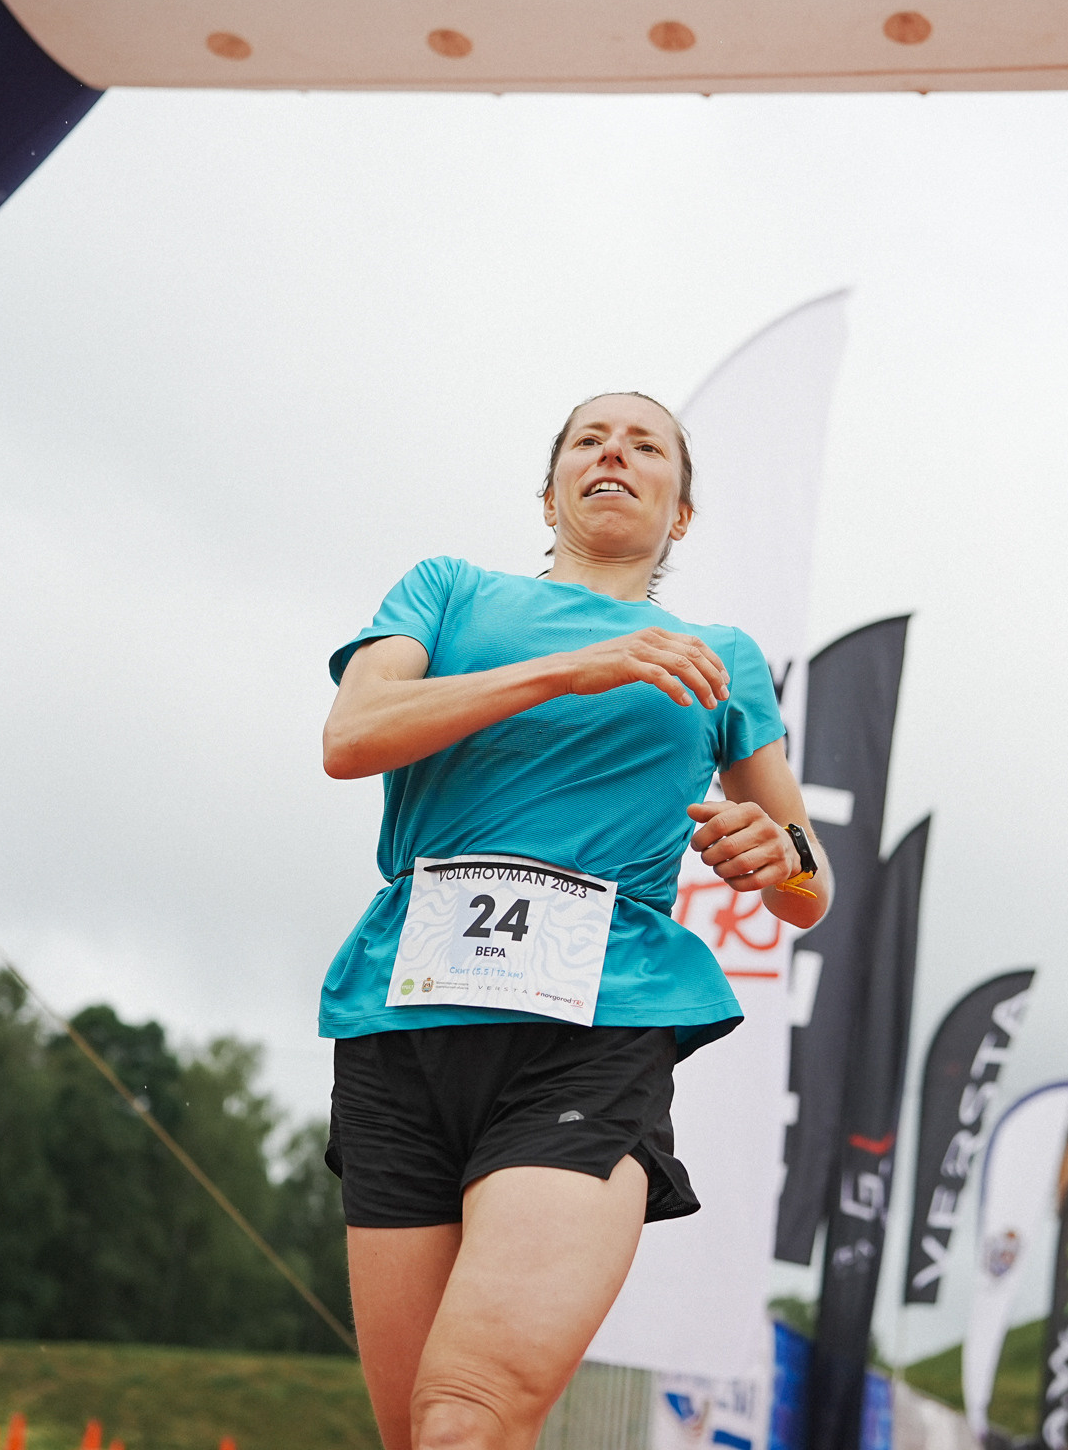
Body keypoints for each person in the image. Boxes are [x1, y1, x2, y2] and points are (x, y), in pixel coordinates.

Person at [320, 391, 832, 1450]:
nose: (614, 450)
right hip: (401, 1020)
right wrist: (573, 667)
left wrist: (772, 853)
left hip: (592, 1033)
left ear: (680, 513)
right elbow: (355, 733)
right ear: (548, 490)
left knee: (466, 1416)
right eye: (589, 438)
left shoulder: (721, 656)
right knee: (415, 1434)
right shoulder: (450, 592)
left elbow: (807, 879)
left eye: (647, 443)